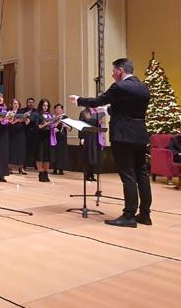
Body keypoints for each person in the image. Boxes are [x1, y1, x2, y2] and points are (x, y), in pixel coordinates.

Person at [71, 57, 152, 228]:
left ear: (121, 70)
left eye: (114, 70)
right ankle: (145, 214)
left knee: (128, 175)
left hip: (123, 136)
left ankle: (129, 215)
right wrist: (108, 110)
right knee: (142, 174)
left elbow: (98, 101)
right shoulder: (143, 87)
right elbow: (128, 108)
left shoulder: (120, 86)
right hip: (140, 135)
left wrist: (79, 100)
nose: (112, 74)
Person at [78, 106, 104, 181]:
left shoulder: (97, 113)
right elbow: (80, 126)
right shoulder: (84, 113)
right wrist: (81, 137)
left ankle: (92, 174)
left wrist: (99, 123)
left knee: (94, 156)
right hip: (87, 136)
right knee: (87, 156)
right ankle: (86, 174)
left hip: (95, 136)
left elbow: (97, 125)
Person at [34, 98, 57, 182]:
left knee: (47, 156)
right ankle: (40, 173)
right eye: (44, 105)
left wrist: (55, 122)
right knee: (40, 156)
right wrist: (47, 123)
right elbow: (37, 127)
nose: (45, 107)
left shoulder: (49, 115)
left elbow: (52, 126)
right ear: (41, 106)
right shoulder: (37, 115)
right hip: (40, 137)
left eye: (47, 106)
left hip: (48, 137)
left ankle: (46, 173)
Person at [8, 98, 29, 175]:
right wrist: (15, 120)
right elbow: (8, 122)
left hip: (20, 132)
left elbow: (27, 122)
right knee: (11, 149)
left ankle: (21, 168)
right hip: (11, 132)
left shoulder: (22, 112)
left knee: (21, 149)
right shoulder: (9, 112)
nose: (16, 105)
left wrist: (25, 119)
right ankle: (9, 167)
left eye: (17, 103)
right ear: (11, 105)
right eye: (14, 103)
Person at [51, 103, 70, 175]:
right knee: (54, 153)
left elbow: (69, 129)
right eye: (57, 108)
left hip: (62, 137)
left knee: (62, 153)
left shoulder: (65, 118)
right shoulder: (53, 117)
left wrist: (65, 126)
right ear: (55, 110)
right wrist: (57, 121)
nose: (58, 110)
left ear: (62, 110)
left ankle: (61, 169)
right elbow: (51, 126)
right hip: (54, 137)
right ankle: (54, 169)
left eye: (60, 108)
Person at [24, 97, 39, 169]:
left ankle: (36, 164)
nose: (30, 104)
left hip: (35, 133)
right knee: (25, 149)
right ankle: (24, 164)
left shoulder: (37, 111)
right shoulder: (22, 110)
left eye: (32, 102)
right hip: (25, 132)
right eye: (29, 102)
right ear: (26, 103)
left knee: (35, 149)